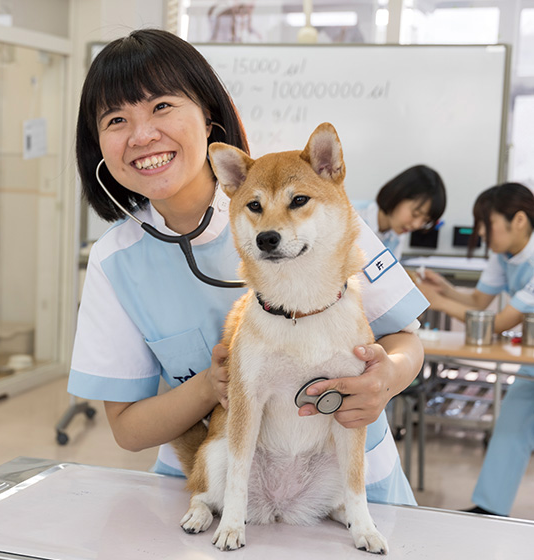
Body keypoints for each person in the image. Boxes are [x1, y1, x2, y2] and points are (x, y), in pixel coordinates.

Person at [68, 29, 428, 506]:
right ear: (99, 144)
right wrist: (212, 385)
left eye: (161, 107)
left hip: (344, 483)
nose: (142, 135)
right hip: (222, 486)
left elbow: (405, 339)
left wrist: (386, 378)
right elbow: (129, 431)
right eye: (116, 119)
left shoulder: (311, 208)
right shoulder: (115, 261)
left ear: (208, 116)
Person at [417, 182, 534, 516]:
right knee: (512, 424)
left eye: (488, 223)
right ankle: (490, 508)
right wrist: (447, 289)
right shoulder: (504, 255)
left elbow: (497, 324)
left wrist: (435, 300)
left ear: (520, 221)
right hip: (531, 360)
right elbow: (479, 302)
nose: (482, 232)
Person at [352, 165, 446, 260]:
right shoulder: (350, 216)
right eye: (415, 214)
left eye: (425, 221)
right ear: (398, 195)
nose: (417, 225)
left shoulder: (397, 235)